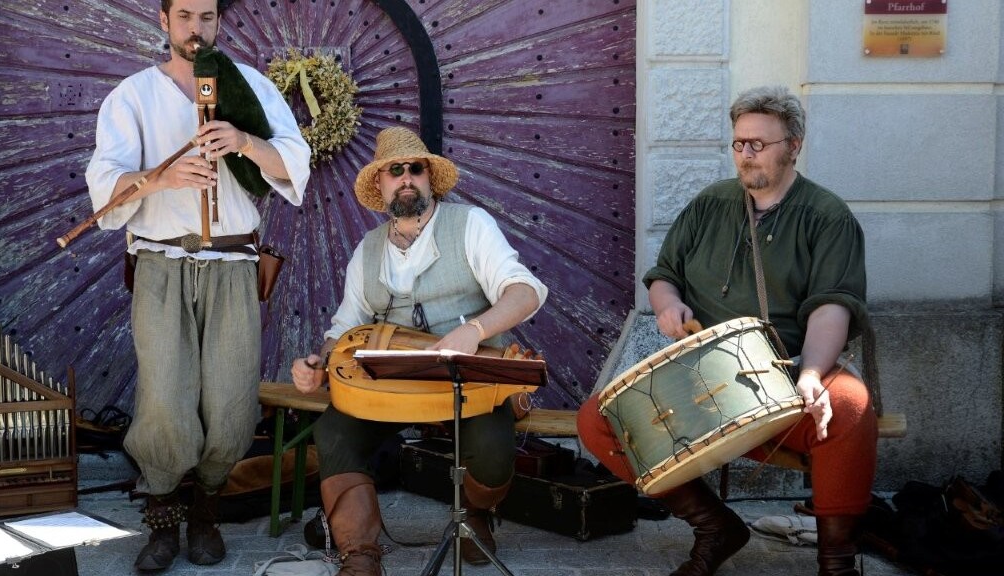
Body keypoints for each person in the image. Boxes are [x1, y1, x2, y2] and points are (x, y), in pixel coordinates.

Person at [577, 86, 878, 576]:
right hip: (701, 380)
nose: (746, 154)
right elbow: (665, 274)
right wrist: (669, 304)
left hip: (783, 373)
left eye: (759, 143)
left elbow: (831, 307)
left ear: (794, 145)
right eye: (739, 143)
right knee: (599, 420)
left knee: (848, 408)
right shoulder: (710, 204)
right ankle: (715, 527)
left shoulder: (827, 217)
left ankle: (837, 563)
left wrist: (812, 375)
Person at [84, 0, 310, 571]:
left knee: (232, 402)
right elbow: (106, 189)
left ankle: (206, 507)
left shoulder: (249, 86)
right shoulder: (132, 96)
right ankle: (162, 514)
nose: (196, 28)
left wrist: (243, 141)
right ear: (164, 21)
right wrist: (161, 176)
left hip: (234, 263)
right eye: (184, 15)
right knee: (164, 400)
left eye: (207, 16)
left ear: (218, 21)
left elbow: (293, 165)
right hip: (162, 263)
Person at [291, 126, 547, 575]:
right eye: (395, 170)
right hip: (389, 387)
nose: (406, 177)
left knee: (491, 447)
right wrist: (320, 361)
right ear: (381, 185)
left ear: (429, 179)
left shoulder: (470, 225)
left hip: (467, 381)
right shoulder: (367, 250)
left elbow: (525, 292)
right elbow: (345, 327)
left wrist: (476, 329)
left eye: (416, 168)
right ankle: (360, 555)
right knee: (333, 430)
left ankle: (477, 515)